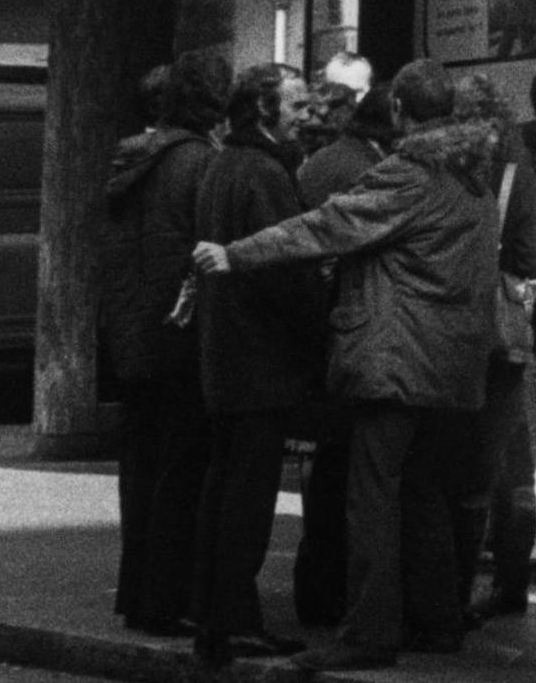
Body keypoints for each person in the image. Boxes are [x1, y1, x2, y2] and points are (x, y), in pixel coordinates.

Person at [195, 59, 503, 674]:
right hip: (453, 362)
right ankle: (438, 619)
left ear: (397, 113)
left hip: (396, 358)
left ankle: (368, 630)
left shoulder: (410, 173)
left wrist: (236, 254)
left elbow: (328, 226)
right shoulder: (475, 175)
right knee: (423, 493)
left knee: (373, 496)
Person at [193, 63, 326, 671]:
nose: (308, 112)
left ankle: (218, 620)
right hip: (260, 360)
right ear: (265, 111)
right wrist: (316, 328)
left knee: (224, 492)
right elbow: (286, 267)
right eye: (296, 103)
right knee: (247, 498)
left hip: (226, 355)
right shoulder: (266, 173)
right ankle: (235, 625)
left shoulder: (224, 164)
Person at [108, 52, 230, 637]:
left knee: (140, 472)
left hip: (133, 331)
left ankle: (139, 595)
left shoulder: (132, 160)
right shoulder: (201, 163)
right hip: (181, 337)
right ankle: (168, 598)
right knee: (183, 474)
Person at [291, 61, 395, 628]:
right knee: (346, 476)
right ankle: (334, 597)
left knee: (329, 473)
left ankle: (318, 591)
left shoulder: (322, 163)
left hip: (327, 329)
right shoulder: (364, 171)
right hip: (348, 330)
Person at [451, 74, 536, 620]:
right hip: (502, 334)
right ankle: (511, 585)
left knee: (460, 469)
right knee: (516, 470)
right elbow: (534, 259)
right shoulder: (517, 168)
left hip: (446, 330)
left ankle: (454, 588)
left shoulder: (445, 164)